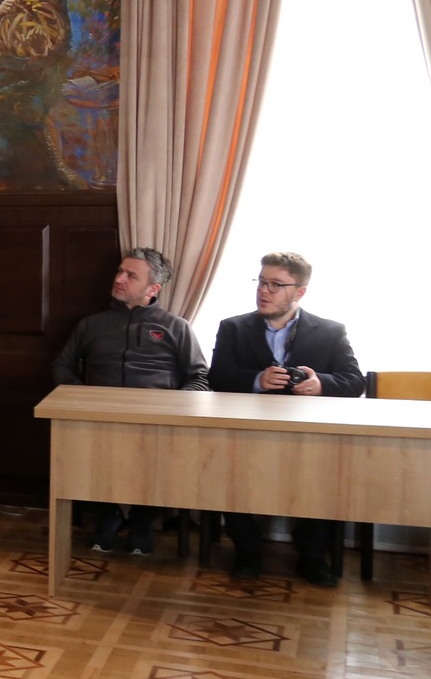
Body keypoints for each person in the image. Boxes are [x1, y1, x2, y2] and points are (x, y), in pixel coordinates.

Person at [208, 251, 365, 585]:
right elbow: (217, 377)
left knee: (327, 477)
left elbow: (354, 382)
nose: (264, 291)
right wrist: (257, 380)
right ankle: (247, 552)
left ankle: (311, 557)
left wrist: (321, 384)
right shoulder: (233, 327)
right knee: (225, 472)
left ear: (300, 292)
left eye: (276, 285)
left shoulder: (330, 331)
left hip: (309, 436)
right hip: (247, 433)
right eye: (261, 282)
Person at [51, 247, 208, 557]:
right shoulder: (92, 324)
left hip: (156, 421)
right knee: (81, 446)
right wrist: (82, 398)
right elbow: (61, 365)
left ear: (152, 289)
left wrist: (174, 409)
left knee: (165, 451)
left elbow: (199, 377)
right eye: (120, 271)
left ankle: (142, 519)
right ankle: (109, 514)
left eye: (131, 275)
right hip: (100, 417)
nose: (119, 279)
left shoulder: (177, 327)